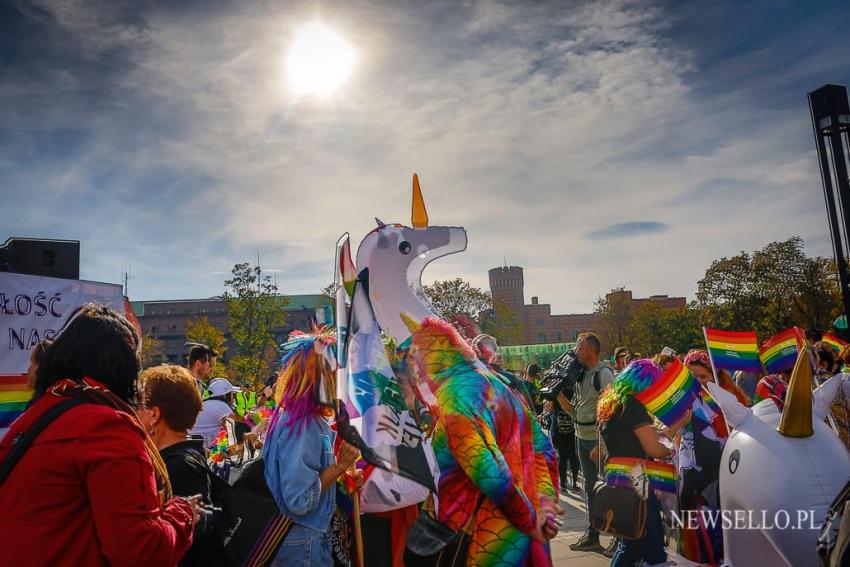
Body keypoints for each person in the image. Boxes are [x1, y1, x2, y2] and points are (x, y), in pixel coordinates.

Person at [0, 304, 196, 566]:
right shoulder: (107, 426)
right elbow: (140, 550)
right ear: (123, 366)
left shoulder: (32, 417)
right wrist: (185, 514)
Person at [408, 317, 561, 566]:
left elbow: (489, 473)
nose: (417, 374)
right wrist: (545, 507)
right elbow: (543, 449)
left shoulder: (455, 395)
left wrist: (530, 520)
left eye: (417, 362)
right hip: (526, 535)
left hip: (486, 542)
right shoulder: (496, 383)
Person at [264, 328, 362, 565]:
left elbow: (310, 477)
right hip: (302, 544)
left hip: (304, 540)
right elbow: (299, 500)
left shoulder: (306, 420)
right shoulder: (302, 425)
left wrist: (343, 479)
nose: (340, 379)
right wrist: (340, 466)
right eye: (335, 371)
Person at [595, 360, 691, 567]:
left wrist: (680, 423)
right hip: (637, 483)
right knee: (653, 545)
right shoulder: (633, 407)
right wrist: (673, 452)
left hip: (618, 479)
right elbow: (653, 448)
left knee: (629, 543)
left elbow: (656, 434)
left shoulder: (614, 404)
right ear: (645, 385)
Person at [138, 364, 221, 566]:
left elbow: (187, 543)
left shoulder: (178, 467)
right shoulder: (186, 456)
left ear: (154, 415)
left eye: (137, 405)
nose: (133, 413)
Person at [567, 332, 616, 553]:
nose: (576, 351)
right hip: (581, 437)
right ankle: (593, 534)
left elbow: (613, 413)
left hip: (599, 441)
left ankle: (618, 536)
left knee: (610, 489)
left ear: (592, 350)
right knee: (589, 489)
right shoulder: (581, 375)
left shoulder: (604, 374)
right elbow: (575, 411)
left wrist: (603, 444)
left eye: (580, 347)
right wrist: (555, 396)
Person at [191, 377, 245, 448]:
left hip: (192, 443)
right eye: (232, 394)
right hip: (202, 448)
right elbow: (244, 419)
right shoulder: (222, 406)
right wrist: (262, 416)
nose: (233, 397)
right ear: (225, 394)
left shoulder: (205, 402)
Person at [683, 350, 751, 406]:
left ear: (716, 375)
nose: (698, 381)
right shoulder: (693, 398)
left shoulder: (727, 394)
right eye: (694, 377)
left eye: (703, 377)